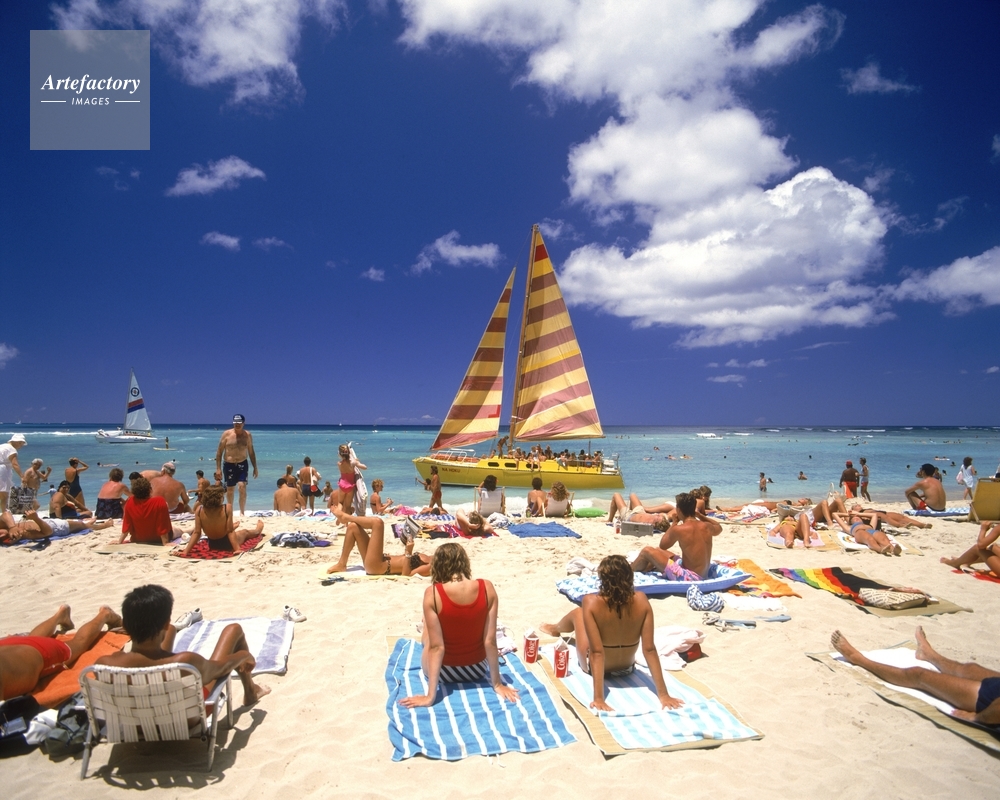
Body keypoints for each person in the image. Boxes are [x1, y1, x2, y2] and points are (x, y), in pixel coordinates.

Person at [540, 555, 682, 712]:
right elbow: (649, 649)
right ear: (629, 577)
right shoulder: (642, 600)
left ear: (602, 578)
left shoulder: (590, 601)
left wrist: (599, 698)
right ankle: (556, 628)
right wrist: (664, 695)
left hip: (595, 669)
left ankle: (556, 628)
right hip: (627, 668)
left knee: (578, 613)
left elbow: (597, 653)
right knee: (584, 615)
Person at [97, 584, 269, 707]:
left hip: (135, 725)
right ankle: (251, 692)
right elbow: (220, 668)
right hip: (187, 719)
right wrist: (244, 656)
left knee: (172, 631)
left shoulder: (105, 665)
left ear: (125, 627)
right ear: (165, 623)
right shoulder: (185, 663)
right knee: (234, 629)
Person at [398, 543, 519, 708]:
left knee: (428, 635)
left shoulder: (432, 593)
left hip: (443, 672)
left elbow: (437, 647)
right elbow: (490, 641)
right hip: (476, 669)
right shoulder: (487, 588)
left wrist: (430, 696)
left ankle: (426, 623)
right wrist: (497, 684)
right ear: (465, 563)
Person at [831, 628, 1000, 727]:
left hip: (991, 701)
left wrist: (977, 718)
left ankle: (859, 659)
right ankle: (929, 655)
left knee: (919, 675)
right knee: (970, 669)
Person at [0, 604, 123, 700]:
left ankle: (104, 615)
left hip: (38, 653)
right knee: (31, 640)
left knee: (78, 643)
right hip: (11, 646)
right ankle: (59, 616)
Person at [630, 492, 721, 579]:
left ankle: (628, 572)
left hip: (689, 577)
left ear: (679, 510)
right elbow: (719, 527)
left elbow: (663, 545)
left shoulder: (679, 529)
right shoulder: (707, 526)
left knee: (646, 551)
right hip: (703, 574)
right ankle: (647, 568)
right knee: (658, 551)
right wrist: (700, 515)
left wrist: (674, 523)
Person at [326, 506, 430, 576]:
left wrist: (408, 551)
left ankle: (345, 517)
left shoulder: (432, 566)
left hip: (378, 567)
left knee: (378, 523)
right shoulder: (431, 558)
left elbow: (406, 575)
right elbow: (402, 560)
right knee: (353, 527)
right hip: (380, 559)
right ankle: (342, 564)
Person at [176, 486, 264, 556]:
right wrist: (237, 549)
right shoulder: (227, 508)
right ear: (219, 498)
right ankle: (258, 530)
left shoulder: (199, 509)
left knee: (229, 529)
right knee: (245, 532)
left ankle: (234, 526)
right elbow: (230, 531)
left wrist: (186, 551)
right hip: (227, 543)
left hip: (212, 544)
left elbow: (197, 532)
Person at [215, 414, 258, 516]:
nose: (237, 425)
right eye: (235, 423)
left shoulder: (247, 435)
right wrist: (218, 469)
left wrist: (255, 467)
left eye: (239, 423)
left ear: (243, 423)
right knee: (230, 489)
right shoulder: (226, 434)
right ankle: (230, 510)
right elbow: (219, 452)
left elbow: (251, 452)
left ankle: (242, 512)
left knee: (242, 487)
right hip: (229, 464)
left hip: (242, 464)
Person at [1, 508, 111, 544]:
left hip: (48, 521)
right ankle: (105, 525)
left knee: (80, 523)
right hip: (56, 528)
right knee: (82, 526)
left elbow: (6, 513)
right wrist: (36, 518)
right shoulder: (22, 534)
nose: (1, 535)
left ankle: (90, 521)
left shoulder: (8, 527)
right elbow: (47, 532)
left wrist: (12, 527)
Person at [120, 476, 175, 545]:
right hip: (158, 539)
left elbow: (127, 525)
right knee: (178, 530)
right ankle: (187, 530)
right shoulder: (159, 501)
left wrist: (120, 541)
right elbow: (162, 524)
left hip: (138, 538)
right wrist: (165, 542)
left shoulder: (130, 502)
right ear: (150, 489)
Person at [833, 511, 900, 555]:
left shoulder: (871, 525)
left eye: (858, 517)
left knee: (882, 537)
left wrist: (858, 514)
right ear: (850, 522)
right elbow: (834, 514)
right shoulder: (848, 528)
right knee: (869, 539)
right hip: (859, 532)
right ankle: (880, 549)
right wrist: (849, 514)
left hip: (871, 530)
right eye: (853, 518)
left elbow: (874, 515)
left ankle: (892, 549)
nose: (856, 518)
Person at [606, 492, 672, 531]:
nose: (657, 515)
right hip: (640, 512)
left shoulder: (649, 525)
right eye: (658, 515)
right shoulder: (656, 522)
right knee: (632, 495)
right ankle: (630, 509)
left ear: (654, 524)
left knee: (616, 495)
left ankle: (609, 520)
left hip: (628, 517)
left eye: (657, 517)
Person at [0, 433, 27, 514]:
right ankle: (4, 513)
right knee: (4, 494)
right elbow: (15, 464)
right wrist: (22, 476)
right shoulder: (12, 449)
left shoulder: (2, 446)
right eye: (21, 444)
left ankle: (4, 512)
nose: (21, 446)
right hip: (2, 471)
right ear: (18, 442)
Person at [336, 444, 366, 514]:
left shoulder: (339, 463)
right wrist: (357, 462)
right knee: (348, 506)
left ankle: (338, 516)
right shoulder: (353, 463)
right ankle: (346, 519)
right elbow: (365, 467)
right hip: (350, 486)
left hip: (342, 485)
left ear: (340, 454)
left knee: (340, 503)